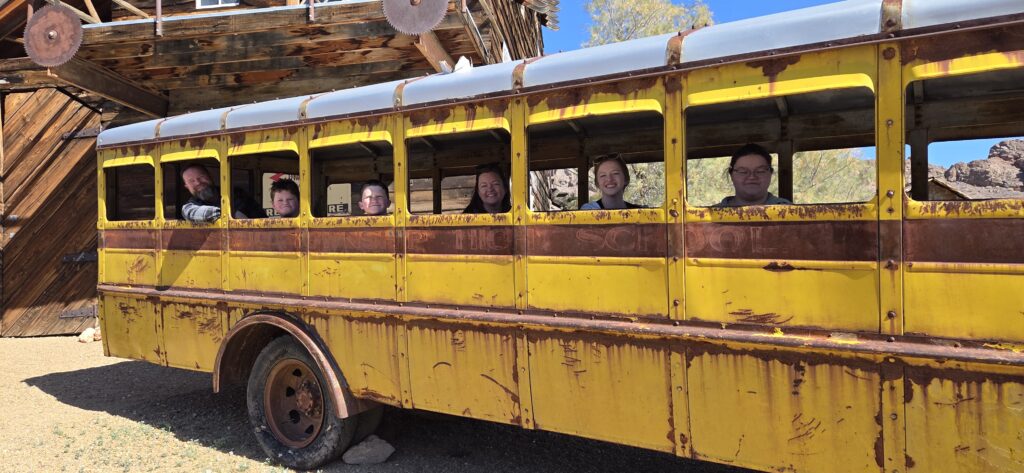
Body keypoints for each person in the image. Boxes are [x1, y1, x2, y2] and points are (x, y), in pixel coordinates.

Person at [714, 143, 793, 207]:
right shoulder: (709, 216)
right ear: (731, 175)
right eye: (743, 172)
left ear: (770, 174)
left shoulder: (792, 211)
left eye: (760, 171)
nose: (752, 177)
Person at [180, 163, 264, 222]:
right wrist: (231, 214)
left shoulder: (236, 193)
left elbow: (260, 216)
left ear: (210, 176)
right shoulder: (190, 206)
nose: (198, 182)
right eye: (191, 181)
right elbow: (191, 213)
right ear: (187, 186)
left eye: (201, 177)